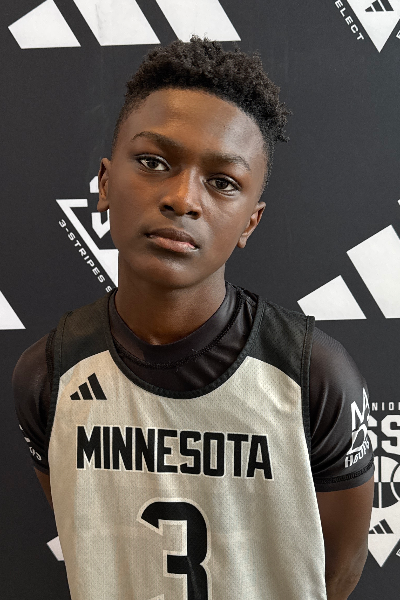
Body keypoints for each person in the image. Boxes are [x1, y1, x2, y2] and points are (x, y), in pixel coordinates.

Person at [13, 37, 374, 600]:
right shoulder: (49, 372)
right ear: (104, 183)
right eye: (153, 162)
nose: (183, 199)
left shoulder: (313, 375)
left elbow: (337, 571)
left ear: (250, 222)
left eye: (222, 182)